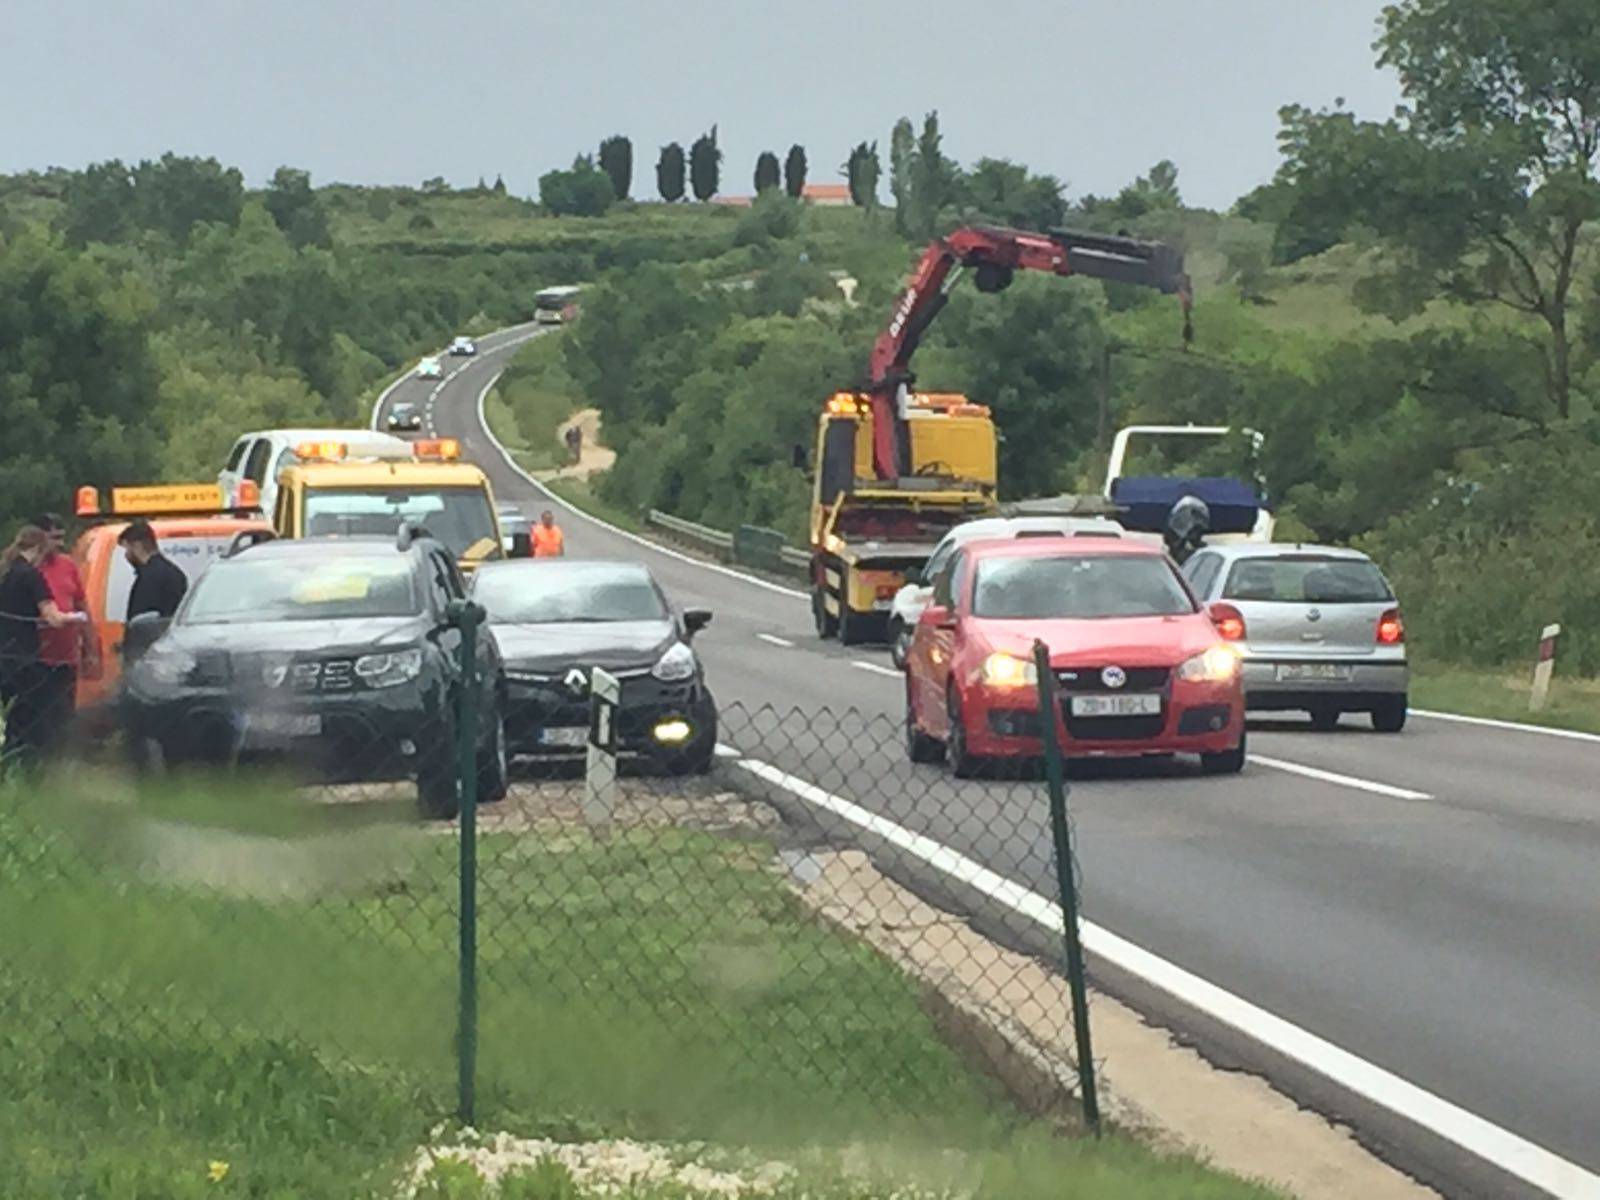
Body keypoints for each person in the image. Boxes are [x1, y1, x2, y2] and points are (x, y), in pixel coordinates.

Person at [0, 526, 83, 771]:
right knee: (36, 715)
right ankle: (32, 766)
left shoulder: (4, 572)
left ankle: (8, 764)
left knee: (10, 714)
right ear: (38, 550)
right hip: (25, 656)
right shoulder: (32, 576)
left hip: (3, 654)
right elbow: (53, 617)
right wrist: (75, 617)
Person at [31, 513, 98, 756]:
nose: (59, 544)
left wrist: (91, 649)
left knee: (63, 715)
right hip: (35, 657)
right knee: (36, 716)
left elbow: (82, 606)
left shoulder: (67, 565)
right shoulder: (25, 568)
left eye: (61, 537)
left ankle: (62, 762)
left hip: (65, 656)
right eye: (54, 538)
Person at [119, 520, 189, 621]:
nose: (126, 555)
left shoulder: (149, 578)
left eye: (127, 549)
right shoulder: (176, 573)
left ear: (137, 546)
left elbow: (139, 621)